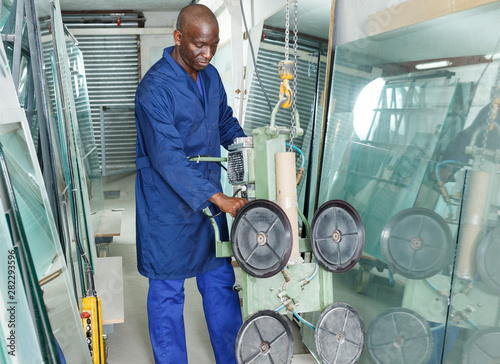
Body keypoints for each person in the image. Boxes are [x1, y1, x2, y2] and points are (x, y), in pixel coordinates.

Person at [134, 4, 248, 363]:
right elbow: (167, 157)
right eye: (199, 45)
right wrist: (219, 198)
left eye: (213, 45)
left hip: (209, 201)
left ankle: (233, 356)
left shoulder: (211, 77)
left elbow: (225, 121)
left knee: (219, 285)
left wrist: (249, 151)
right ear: (178, 38)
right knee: (168, 292)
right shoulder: (154, 89)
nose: (208, 53)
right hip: (168, 209)